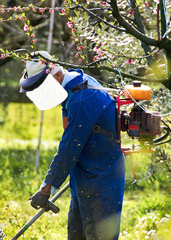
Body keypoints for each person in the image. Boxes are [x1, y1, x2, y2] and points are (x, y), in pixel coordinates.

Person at [19, 51, 125, 240]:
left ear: (57, 75)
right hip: (85, 176)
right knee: (77, 235)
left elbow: (70, 146)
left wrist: (47, 188)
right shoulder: (74, 86)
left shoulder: (83, 97)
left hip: (100, 179)